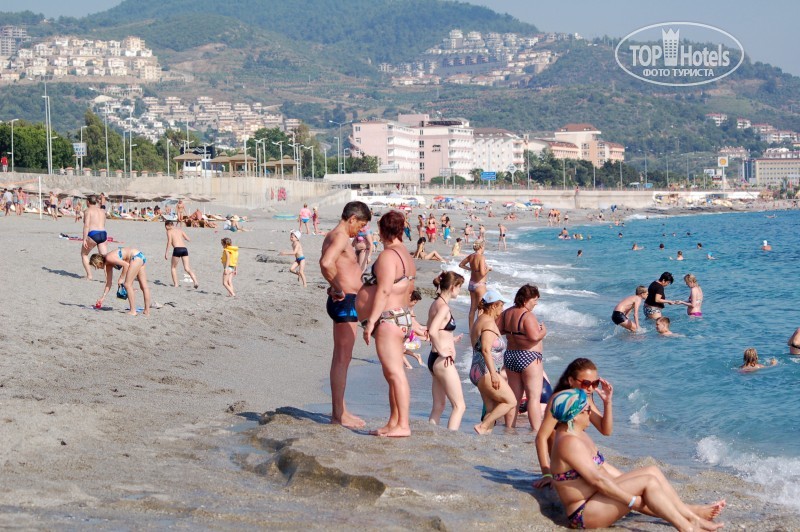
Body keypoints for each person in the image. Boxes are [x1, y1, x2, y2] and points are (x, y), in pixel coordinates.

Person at [547, 389, 725, 531]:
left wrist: (630, 484)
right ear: (574, 416)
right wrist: (631, 500)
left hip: (596, 499)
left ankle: (691, 517)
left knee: (651, 472)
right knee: (647, 482)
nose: (590, 413)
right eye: (586, 410)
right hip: (584, 514)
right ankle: (687, 527)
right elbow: (598, 480)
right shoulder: (569, 443)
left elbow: (603, 468)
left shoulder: (577, 435)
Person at [356, 210, 416, 438]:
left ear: (383, 230)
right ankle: (394, 422)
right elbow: (408, 290)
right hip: (401, 316)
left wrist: (371, 322)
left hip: (389, 318)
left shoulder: (388, 256)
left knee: (395, 374)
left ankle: (403, 425)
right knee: (391, 374)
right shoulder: (405, 255)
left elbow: (383, 291)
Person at [319, 201, 372, 429]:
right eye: (360, 225)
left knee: (341, 359)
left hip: (347, 302)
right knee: (342, 359)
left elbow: (332, 266)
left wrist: (335, 285)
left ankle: (340, 411)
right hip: (345, 303)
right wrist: (338, 288)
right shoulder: (340, 236)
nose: (360, 230)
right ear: (352, 219)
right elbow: (326, 263)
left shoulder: (334, 236)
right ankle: (338, 415)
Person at [534, 358, 613, 489]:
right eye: (586, 383)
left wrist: (607, 402)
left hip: (581, 460)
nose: (590, 388)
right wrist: (546, 473)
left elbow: (606, 430)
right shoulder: (561, 402)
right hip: (566, 466)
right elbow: (541, 437)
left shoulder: (585, 399)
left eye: (595, 383)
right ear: (571, 381)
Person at [499, 284, 547, 431]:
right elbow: (534, 337)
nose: (536, 303)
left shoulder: (507, 313)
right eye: (535, 300)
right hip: (529, 356)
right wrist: (543, 331)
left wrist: (514, 332)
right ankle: (536, 432)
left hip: (511, 355)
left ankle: (509, 429)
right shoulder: (527, 315)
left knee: (514, 398)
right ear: (526, 300)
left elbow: (498, 330)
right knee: (534, 398)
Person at [469, 290, 516, 435]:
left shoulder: (480, 320)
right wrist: (494, 375)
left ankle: (483, 438)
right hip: (487, 372)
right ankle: (482, 427)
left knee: (491, 409)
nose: (502, 309)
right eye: (501, 306)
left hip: (478, 370)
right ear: (494, 305)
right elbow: (485, 349)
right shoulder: (488, 323)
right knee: (511, 401)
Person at [426, 272, 466, 431]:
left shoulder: (436, 304)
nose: (460, 290)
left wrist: (451, 339)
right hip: (443, 361)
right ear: (452, 287)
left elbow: (435, 329)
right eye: (459, 287)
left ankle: (430, 435)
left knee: (439, 406)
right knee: (459, 406)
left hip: (434, 359)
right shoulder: (443, 307)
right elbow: (432, 331)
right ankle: (451, 439)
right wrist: (443, 350)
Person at [90, 247, 151, 316]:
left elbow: (126, 265)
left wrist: (121, 278)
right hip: (139, 256)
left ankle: (133, 311)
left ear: (99, 262)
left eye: (96, 266)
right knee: (144, 286)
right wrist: (103, 298)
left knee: (127, 285)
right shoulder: (108, 264)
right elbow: (109, 283)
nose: (97, 268)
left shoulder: (109, 258)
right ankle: (147, 311)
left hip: (135, 257)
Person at [459, 240, 491, 326]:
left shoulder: (471, 256)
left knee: (472, 309)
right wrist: (488, 269)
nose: (484, 249)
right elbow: (482, 273)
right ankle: (477, 330)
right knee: (481, 309)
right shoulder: (481, 257)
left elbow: (461, 264)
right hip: (480, 285)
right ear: (481, 247)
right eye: (484, 247)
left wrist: (471, 269)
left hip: (471, 284)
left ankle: (471, 330)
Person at [81, 195, 109, 280]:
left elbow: (86, 225)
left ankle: (89, 276)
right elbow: (104, 223)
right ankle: (108, 278)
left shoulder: (88, 211)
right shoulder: (102, 211)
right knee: (105, 258)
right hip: (103, 234)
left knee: (84, 254)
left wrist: (84, 239)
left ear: (88, 202)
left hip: (93, 234)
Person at [164, 220, 199, 289]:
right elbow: (188, 239)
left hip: (177, 249)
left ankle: (176, 284)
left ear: (167, 226)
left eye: (165, 227)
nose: (165, 228)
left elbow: (169, 242)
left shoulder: (169, 231)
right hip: (184, 249)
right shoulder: (180, 230)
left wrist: (166, 253)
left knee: (173, 267)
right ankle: (195, 281)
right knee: (187, 268)